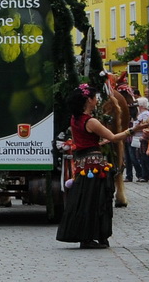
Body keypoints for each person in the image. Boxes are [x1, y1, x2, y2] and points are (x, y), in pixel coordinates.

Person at [55, 87, 132, 250]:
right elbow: (113, 137)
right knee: (98, 200)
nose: (97, 100)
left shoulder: (75, 119)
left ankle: (88, 235)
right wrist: (134, 129)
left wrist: (97, 143)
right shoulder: (91, 121)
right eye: (94, 97)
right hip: (95, 165)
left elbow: (83, 141)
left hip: (83, 164)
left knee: (85, 200)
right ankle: (95, 235)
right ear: (88, 100)